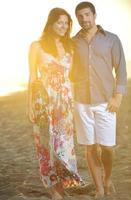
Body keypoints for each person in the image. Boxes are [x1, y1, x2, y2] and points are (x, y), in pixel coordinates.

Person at [69, 1, 127, 199]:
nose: (84, 19)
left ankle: (108, 178)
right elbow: (66, 68)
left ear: (94, 15)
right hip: (81, 101)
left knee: (108, 148)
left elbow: (121, 70)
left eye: (87, 14)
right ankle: (99, 188)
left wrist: (117, 97)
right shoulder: (73, 42)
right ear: (77, 18)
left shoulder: (111, 39)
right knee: (90, 146)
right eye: (80, 16)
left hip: (106, 101)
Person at [28, 7, 83, 200]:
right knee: (45, 147)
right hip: (43, 102)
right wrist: (29, 106)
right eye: (60, 22)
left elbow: (72, 78)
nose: (63, 26)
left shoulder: (70, 47)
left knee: (63, 145)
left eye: (66, 23)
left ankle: (60, 187)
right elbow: (33, 77)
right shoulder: (37, 46)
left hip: (65, 103)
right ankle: (53, 190)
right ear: (51, 23)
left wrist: (74, 104)